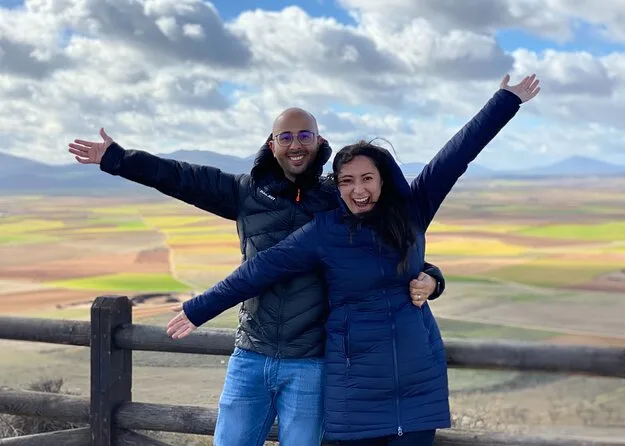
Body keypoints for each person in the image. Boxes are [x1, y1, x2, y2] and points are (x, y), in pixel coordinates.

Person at [165, 73, 541, 445]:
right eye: (346, 181)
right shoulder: (325, 231)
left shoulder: (412, 212)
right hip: (354, 389)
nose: (358, 190)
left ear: (383, 180)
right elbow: (262, 268)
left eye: (367, 179)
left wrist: (504, 101)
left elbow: (456, 156)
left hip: (415, 383)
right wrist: (200, 308)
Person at [67, 109, 446, 446]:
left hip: (310, 359)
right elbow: (180, 177)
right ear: (272, 144)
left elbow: (386, 249)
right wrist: (118, 159)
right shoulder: (246, 192)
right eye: (285, 136)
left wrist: (429, 275)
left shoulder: (340, 196)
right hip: (251, 351)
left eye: (304, 135)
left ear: (319, 142)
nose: (295, 144)